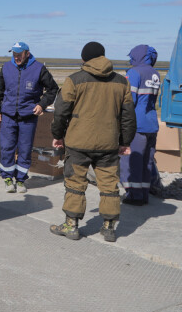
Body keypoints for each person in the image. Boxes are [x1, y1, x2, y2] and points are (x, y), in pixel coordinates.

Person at [50, 41, 136, 242]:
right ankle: (109, 228)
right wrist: (125, 141)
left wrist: (57, 135)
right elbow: (128, 116)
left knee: (75, 183)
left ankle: (71, 225)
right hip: (109, 143)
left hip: (78, 142)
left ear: (84, 59)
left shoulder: (74, 80)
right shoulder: (122, 82)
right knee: (109, 185)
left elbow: (61, 112)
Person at [0, 42, 58, 193]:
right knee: (7, 147)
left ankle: (21, 179)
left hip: (28, 116)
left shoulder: (39, 68)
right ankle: (7, 178)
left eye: (19, 54)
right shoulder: (7, 67)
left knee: (25, 149)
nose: (16, 57)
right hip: (8, 115)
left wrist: (42, 104)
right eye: (14, 54)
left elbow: (53, 89)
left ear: (27, 53)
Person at [121, 45, 162, 205]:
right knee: (147, 162)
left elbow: (128, 101)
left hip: (136, 125)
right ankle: (144, 194)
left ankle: (134, 195)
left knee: (132, 161)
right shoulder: (155, 73)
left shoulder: (134, 73)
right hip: (151, 123)